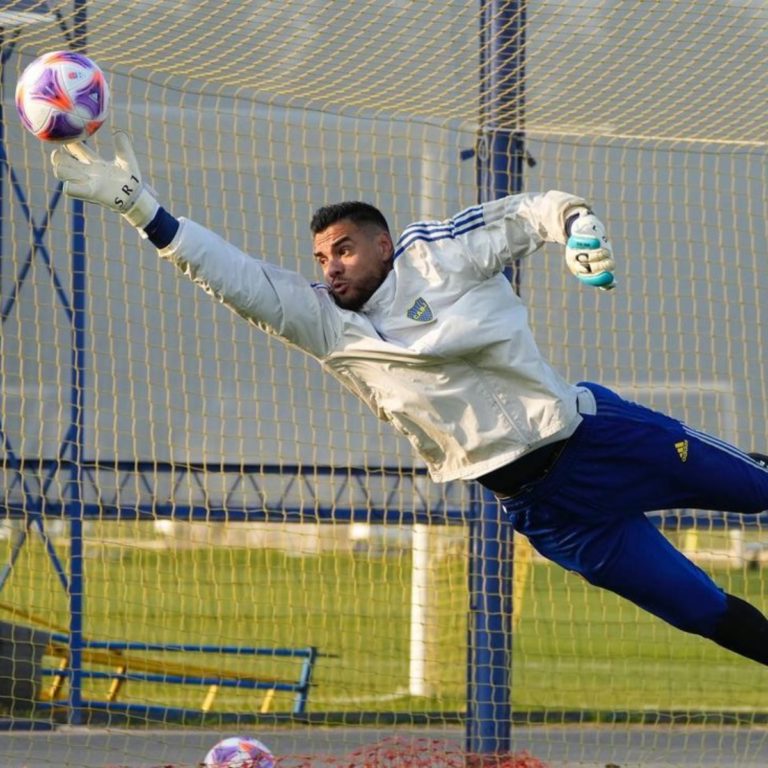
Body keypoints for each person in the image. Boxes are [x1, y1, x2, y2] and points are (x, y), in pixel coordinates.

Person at [51, 132, 768, 665]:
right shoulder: (325, 322)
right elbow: (233, 276)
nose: (331, 268)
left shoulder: (438, 252)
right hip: (549, 512)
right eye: (321, 259)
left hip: (598, 439)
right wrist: (138, 205)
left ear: (383, 243)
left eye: (343, 250)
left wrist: (579, 229)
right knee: (699, 610)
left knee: (758, 490)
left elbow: (532, 212)